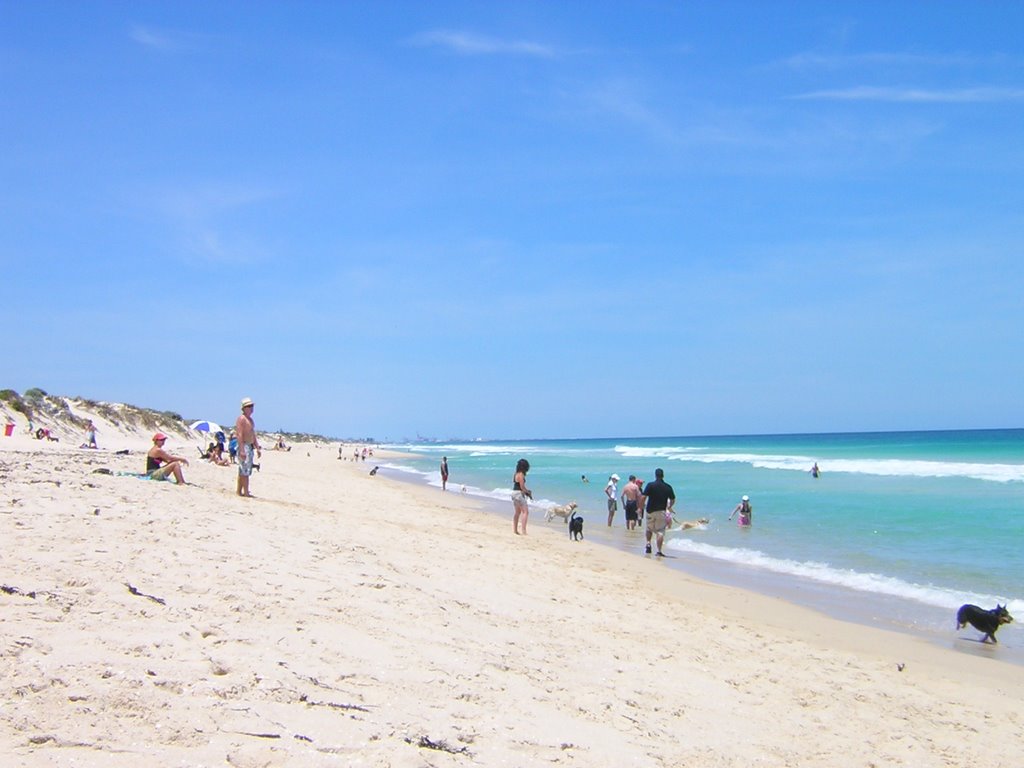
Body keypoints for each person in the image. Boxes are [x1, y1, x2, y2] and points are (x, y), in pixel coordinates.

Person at [641, 468, 675, 557]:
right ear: (663, 475)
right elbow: (672, 499)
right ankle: (659, 551)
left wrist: (641, 506)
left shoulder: (650, 485)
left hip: (650, 510)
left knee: (649, 528)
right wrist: (669, 507)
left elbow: (643, 497)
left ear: (655, 475)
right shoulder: (668, 487)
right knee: (660, 531)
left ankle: (648, 543)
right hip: (661, 511)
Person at [234, 397, 262, 497]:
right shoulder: (241, 419)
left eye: (252, 406)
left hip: (249, 446)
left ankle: (239, 491)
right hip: (244, 445)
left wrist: (257, 447)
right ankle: (245, 492)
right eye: (249, 406)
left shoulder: (250, 420)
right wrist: (242, 450)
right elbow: (239, 435)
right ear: (244, 408)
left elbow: (253, 435)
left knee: (244, 470)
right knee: (244, 471)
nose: (251, 408)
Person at [512, 458, 533, 535]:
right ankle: (524, 531)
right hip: (518, 494)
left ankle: (515, 530)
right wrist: (528, 492)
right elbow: (522, 487)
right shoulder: (521, 474)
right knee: (525, 512)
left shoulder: (516, 474)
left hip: (514, 493)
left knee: (517, 512)